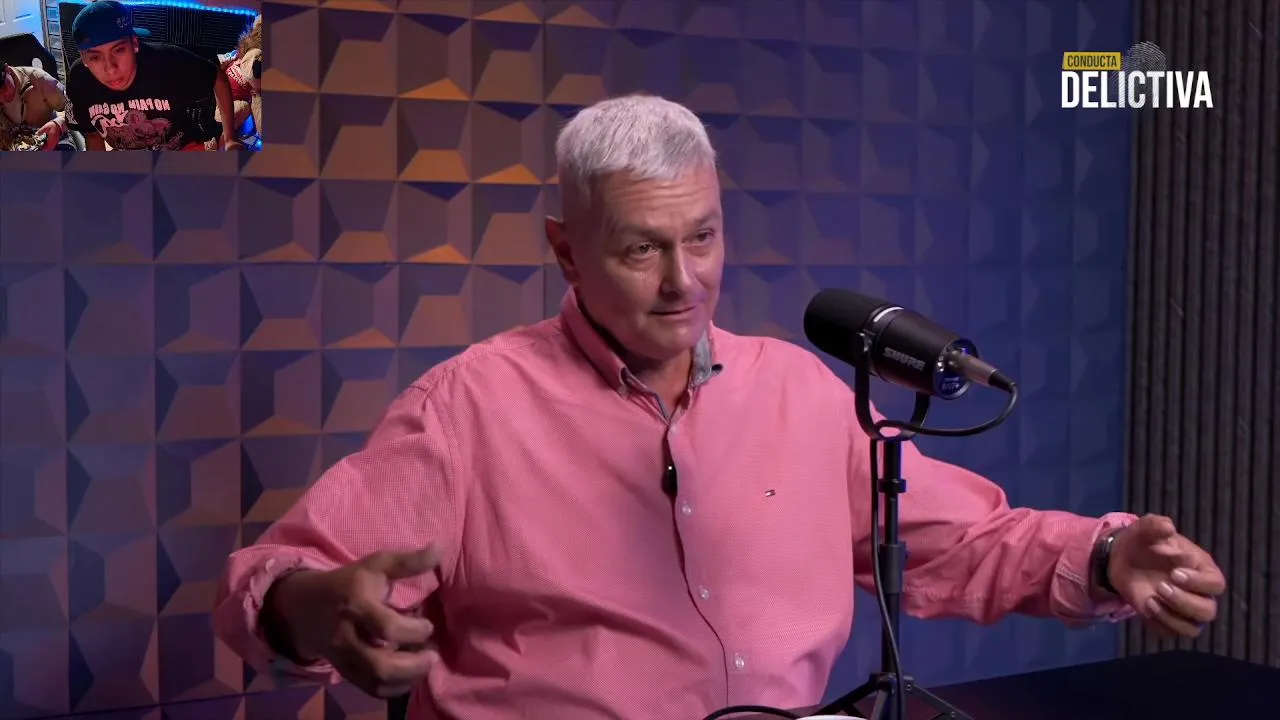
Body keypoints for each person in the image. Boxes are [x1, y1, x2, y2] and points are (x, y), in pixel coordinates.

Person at [213, 95, 1226, 719]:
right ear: (566, 249)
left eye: (701, 237)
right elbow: (268, 582)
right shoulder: (468, 407)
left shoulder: (799, 391)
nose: (682, 282)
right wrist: (315, 609)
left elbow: (959, 544)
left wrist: (1105, 555)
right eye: (640, 248)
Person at [63, 0, 242, 151]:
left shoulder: (167, 61)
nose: (110, 68)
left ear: (134, 43)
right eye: (95, 57)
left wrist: (229, 139)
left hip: (182, 149)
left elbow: (217, 77)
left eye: (118, 50)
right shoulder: (80, 79)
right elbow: (92, 135)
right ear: (83, 58)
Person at [0, 60, 76, 150]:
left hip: (53, 139)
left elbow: (74, 107)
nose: (3, 95)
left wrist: (59, 124)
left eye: (4, 87)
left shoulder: (39, 79)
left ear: (7, 70)